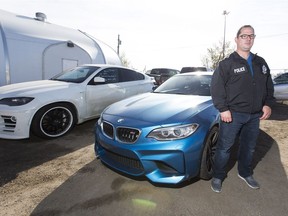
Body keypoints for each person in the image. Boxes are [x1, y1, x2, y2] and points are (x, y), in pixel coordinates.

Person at [210, 25, 275, 193]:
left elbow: (269, 86)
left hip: (254, 116)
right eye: (244, 35)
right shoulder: (227, 64)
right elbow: (216, 88)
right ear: (236, 39)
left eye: (251, 36)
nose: (248, 39)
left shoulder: (261, 62)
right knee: (225, 148)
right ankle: (218, 175)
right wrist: (223, 109)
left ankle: (245, 173)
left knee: (249, 147)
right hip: (233, 115)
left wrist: (268, 103)